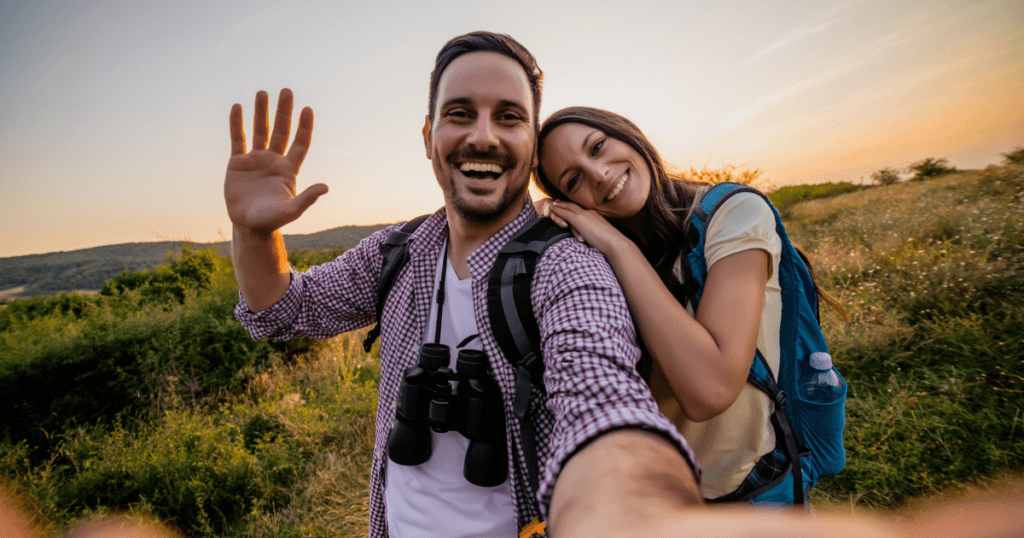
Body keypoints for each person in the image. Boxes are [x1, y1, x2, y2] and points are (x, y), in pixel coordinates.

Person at [224, 32, 701, 538]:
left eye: (509, 117)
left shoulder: (565, 266)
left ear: (533, 143)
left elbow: (603, 401)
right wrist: (254, 233)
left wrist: (631, 503)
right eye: (459, 113)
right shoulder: (399, 252)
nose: (483, 136)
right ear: (428, 134)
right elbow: (284, 310)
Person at [533, 106, 847, 503]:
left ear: (628, 132)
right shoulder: (591, 252)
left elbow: (709, 390)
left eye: (597, 147)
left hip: (752, 490)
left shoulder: (733, 213)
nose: (598, 175)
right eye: (573, 179)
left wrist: (619, 248)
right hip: (666, 497)